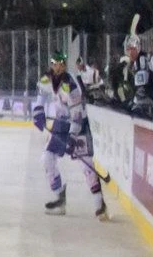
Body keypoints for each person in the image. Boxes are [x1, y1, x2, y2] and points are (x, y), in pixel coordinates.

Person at [33, 53, 108, 218]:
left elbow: (77, 114)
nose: (57, 67)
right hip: (60, 124)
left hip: (78, 125)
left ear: (64, 65)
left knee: (86, 165)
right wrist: (38, 112)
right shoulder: (46, 79)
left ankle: (99, 203)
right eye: (54, 63)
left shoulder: (71, 84)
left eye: (60, 64)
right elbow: (41, 97)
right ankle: (60, 197)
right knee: (47, 159)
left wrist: (72, 138)